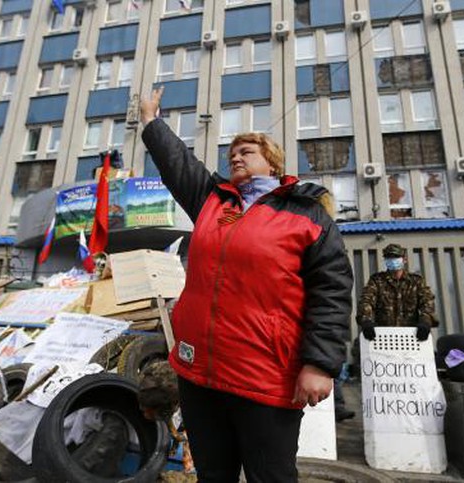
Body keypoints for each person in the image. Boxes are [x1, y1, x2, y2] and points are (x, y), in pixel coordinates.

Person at [140, 87, 353, 482]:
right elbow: (178, 165)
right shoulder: (214, 201)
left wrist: (320, 363)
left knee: (270, 476)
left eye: (247, 152)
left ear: (272, 163)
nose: (236, 157)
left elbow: (333, 293)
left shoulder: (306, 215)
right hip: (200, 376)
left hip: (264, 378)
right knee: (213, 475)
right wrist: (152, 122)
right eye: (232, 154)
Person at [357, 243, 436, 341]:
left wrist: (425, 321)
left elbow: (427, 302)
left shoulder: (416, 281)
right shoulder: (377, 281)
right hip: (385, 337)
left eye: (396, 257)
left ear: (404, 259)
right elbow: (366, 300)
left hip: (411, 337)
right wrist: (366, 320)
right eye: (388, 257)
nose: (392, 260)